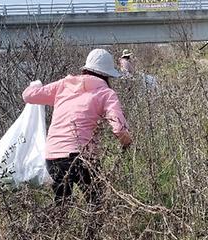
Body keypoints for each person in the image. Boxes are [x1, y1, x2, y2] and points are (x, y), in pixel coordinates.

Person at [22, 48, 133, 205]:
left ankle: (49, 229)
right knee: (97, 204)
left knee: (61, 205)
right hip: (83, 157)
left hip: (53, 156)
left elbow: (28, 96)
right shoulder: (106, 93)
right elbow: (119, 128)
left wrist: (35, 85)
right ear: (107, 75)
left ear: (85, 69)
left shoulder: (64, 85)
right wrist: (127, 142)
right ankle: (91, 230)